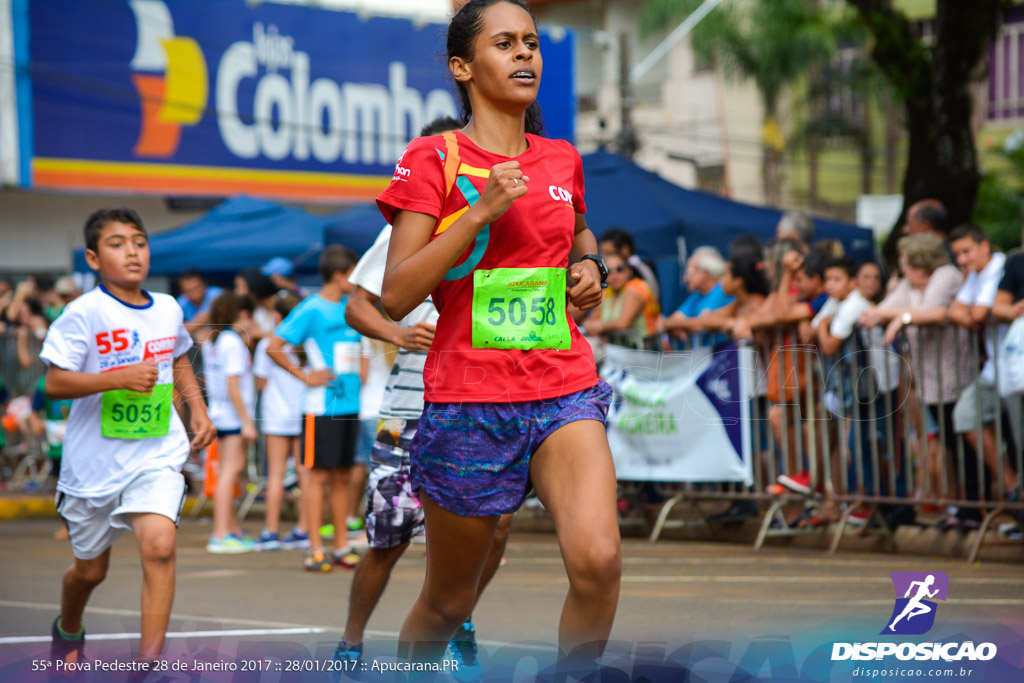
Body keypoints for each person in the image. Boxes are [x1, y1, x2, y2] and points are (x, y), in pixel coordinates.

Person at [377, 0, 619, 663]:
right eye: (505, 43)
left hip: (562, 384)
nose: (523, 55)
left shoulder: (561, 157)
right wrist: (479, 210)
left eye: (531, 43)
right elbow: (397, 293)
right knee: (449, 603)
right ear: (463, 65)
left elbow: (577, 229)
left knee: (598, 563)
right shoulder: (435, 157)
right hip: (469, 402)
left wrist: (590, 264)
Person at [338, 185, 515, 671]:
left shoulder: (515, 224)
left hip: (483, 410)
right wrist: (398, 333)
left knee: (495, 530)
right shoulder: (408, 229)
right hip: (410, 410)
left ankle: (459, 621)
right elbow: (356, 306)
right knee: (389, 539)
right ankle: (351, 643)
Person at [41, 208, 215, 663]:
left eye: (139, 241)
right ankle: (69, 628)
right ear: (94, 259)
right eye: (117, 244)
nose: (132, 252)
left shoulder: (167, 307)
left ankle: (148, 665)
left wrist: (197, 409)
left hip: (154, 455)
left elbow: (177, 358)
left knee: (159, 547)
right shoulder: (83, 313)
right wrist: (116, 377)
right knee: (90, 571)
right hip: (93, 467)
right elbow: (55, 383)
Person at [267, 245, 363, 572]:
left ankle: (339, 546)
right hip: (321, 408)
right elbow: (273, 346)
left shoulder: (353, 307)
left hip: (350, 405)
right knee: (316, 476)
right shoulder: (311, 309)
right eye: (353, 273)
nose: (357, 279)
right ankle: (314, 547)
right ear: (339, 275)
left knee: (342, 476)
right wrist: (304, 375)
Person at [859, 234, 966, 506]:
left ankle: (963, 504)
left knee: (957, 442)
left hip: (956, 374)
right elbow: (874, 314)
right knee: (940, 441)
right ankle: (951, 502)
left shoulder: (946, 274)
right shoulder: (910, 284)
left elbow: (933, 311)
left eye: (905, 262)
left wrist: (902, 318)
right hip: (928, 379)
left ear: (921, 262)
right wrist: (900, 314)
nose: (902, 267)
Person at [947, 225, 1019, 508]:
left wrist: (976, 315)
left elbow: (978, 310)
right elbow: (959, 310)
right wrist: (974, 317)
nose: (962, 260)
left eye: (967, 251)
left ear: (985, 246)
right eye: (957, 255)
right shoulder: (976, 275)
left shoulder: (1002, 267)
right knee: (966, 415)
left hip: (1016, 367)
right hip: (996, 369)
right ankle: (1013, 487)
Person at [252, 295, 312, 550]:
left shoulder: (267, 344)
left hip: (276, 414)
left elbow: (261, 384)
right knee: (305, 472)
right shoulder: (307, 343)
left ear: (277, 316)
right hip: (304, 412)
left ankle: (271, 532)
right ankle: (304, 530)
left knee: (275, 474)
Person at [202, 292, 258, 553]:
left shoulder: (212, 341)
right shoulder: (232, 342)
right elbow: (233, 386)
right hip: (233, 416)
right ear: (241, 314)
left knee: (228, 472)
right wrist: (248, 422)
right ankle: (221, 533)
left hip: (219, 413)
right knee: (229, 474)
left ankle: (231, 530)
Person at [583, 252, 660, 346]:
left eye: (619, 269)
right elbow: (591, 320)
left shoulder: (637, 288)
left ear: (629, 271)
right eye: (609, 271)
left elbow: (623, 323)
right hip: (618, 351)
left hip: (644, 350)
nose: (614, 275)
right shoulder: (606, 292)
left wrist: (599, 326)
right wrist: (588, 324)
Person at [663, 246, 733, 347]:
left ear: (704, 272)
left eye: (689, 271)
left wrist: (674, 325)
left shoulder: (722, 291)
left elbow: (703, 322)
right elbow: (673, 320)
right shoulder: (696, 296)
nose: (685, 278)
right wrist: (673, 324)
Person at [599, 227, 660, 301]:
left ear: (625, 249)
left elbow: (653, 296)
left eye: (609, 253)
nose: (603, 257)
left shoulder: (639, 269)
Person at [176, 270, 222, 334]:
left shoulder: (218, 295)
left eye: (197, 287)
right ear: (182, 292)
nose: (195, 294)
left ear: (204, 284)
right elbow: (174, 327)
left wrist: (190, 326)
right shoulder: (180, 303)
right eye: (189, 291)